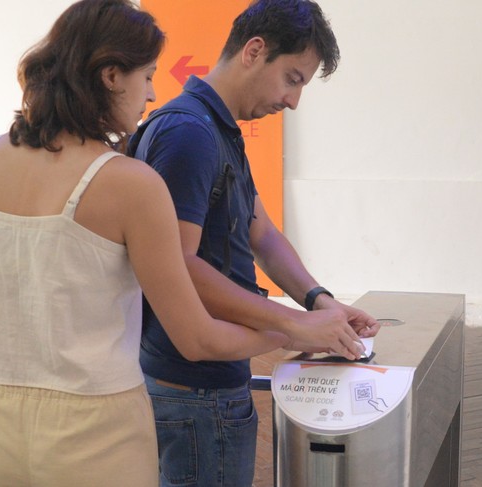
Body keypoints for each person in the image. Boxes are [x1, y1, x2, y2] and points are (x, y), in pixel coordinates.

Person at [0, 1, 307, 485]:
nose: (153, 93)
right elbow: (196, 338)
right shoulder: (130, 183)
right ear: (112, 75)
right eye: (148, 76)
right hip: (95, 437)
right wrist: (291, 333)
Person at [127, 1, 381, 485]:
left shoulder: (217, 128)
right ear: (254, 51)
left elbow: (260, 232)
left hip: (209, 384)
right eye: (292, 79)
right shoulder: (189, 134)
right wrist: (294, 325)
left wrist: (320, 301)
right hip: (193, 392)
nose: (293, 101)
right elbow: (177, 265)